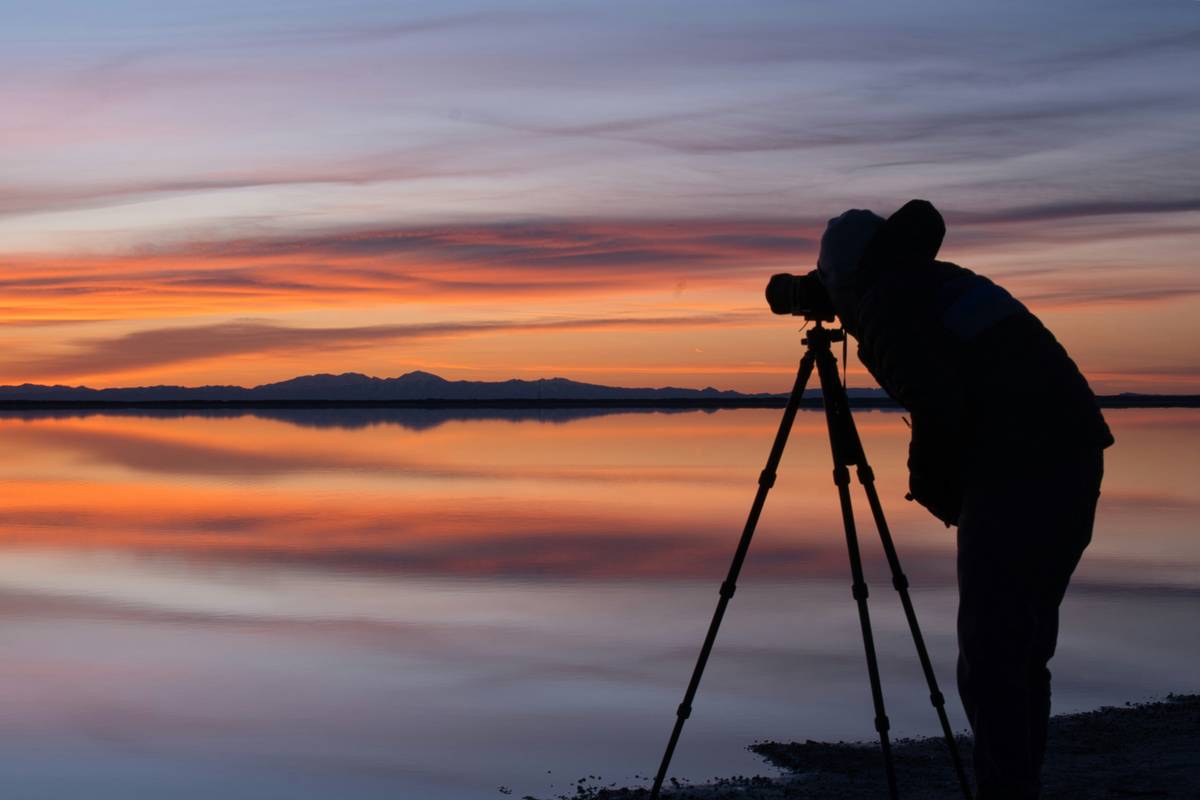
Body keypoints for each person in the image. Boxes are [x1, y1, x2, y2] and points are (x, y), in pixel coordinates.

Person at [814, 200, 1114, 799]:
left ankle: (1005, 792)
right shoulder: (937, 280)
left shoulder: (889, 307)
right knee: (1023, 645)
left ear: (848, 282)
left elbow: (938, 403)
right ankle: (1016, 784)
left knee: (992, 655)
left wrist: (932, 486)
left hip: (1018, 467)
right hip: (1076, 452)